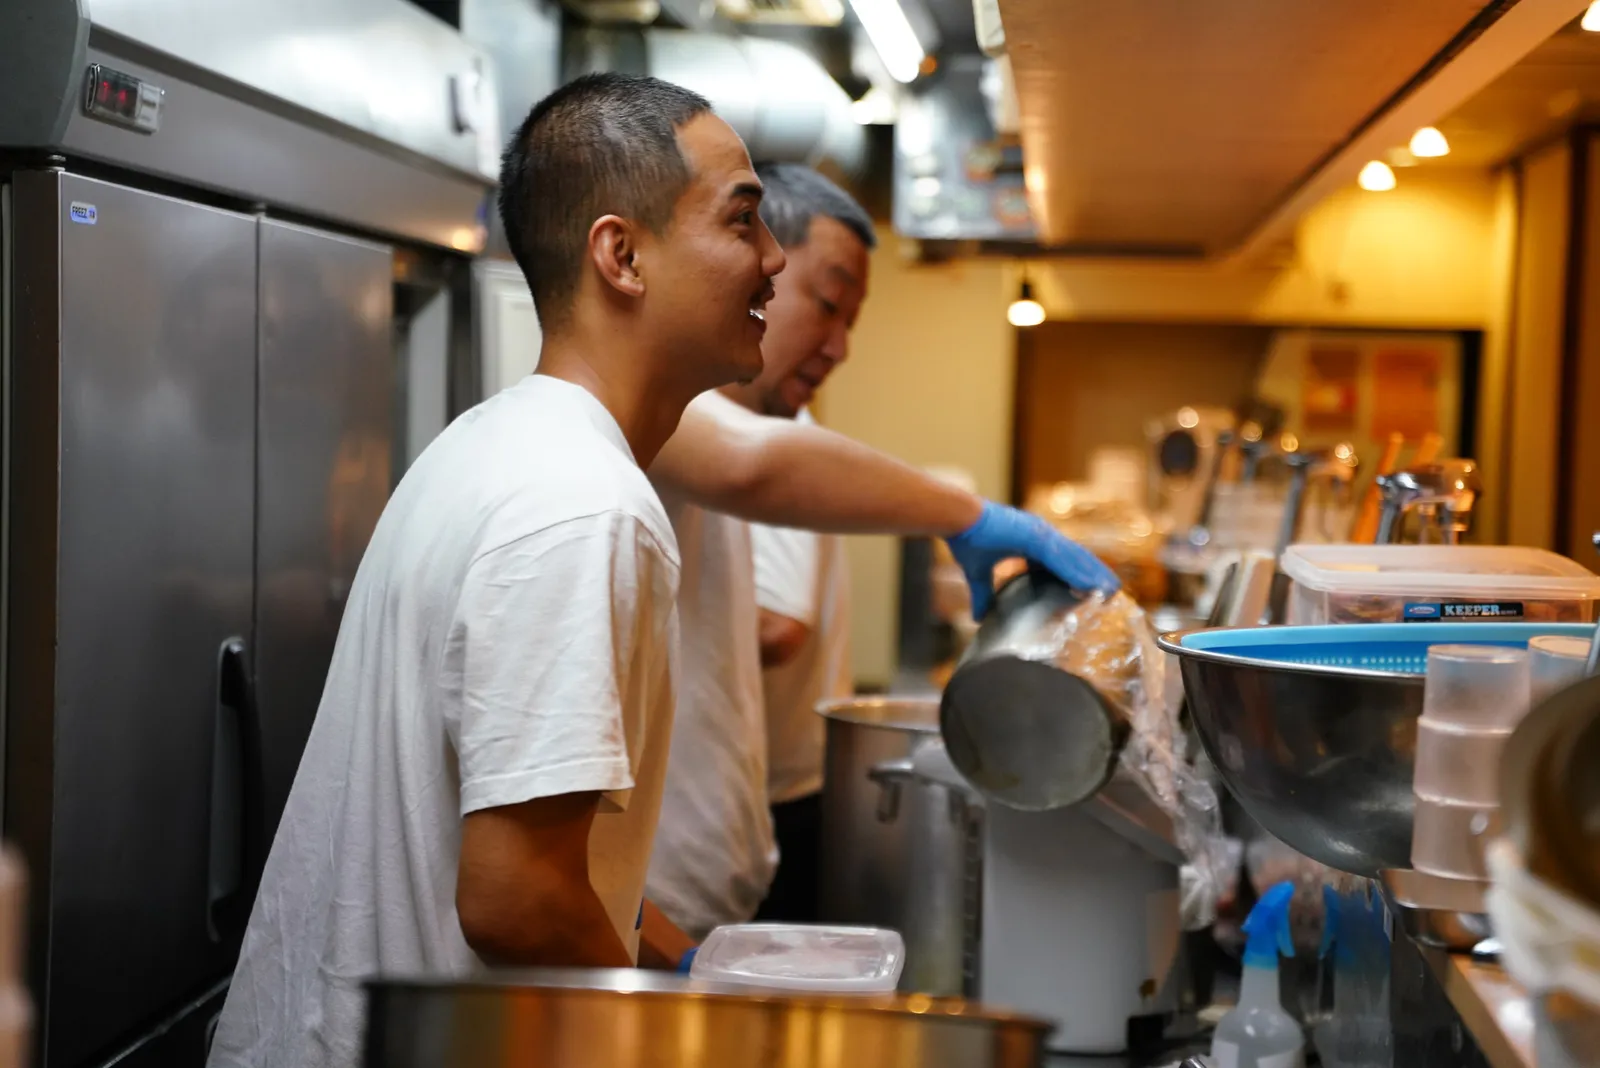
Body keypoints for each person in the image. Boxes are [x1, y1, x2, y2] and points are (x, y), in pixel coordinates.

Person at [208, 72, 783, 1068]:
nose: (772, 259)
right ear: (622, 254)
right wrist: (667, 1040)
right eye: (743, 223)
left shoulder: (493, 446)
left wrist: (685, 966)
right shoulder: (583, 505)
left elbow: (541, 838)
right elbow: (518, 899)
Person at [643, 163, 1121, 935]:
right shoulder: (666, 410)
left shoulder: (727, 429)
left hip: (716, 883)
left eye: (850, 324)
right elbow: (754, 471)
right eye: (824, 305)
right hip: (663, 905)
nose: (838, 349)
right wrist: (967, 516)